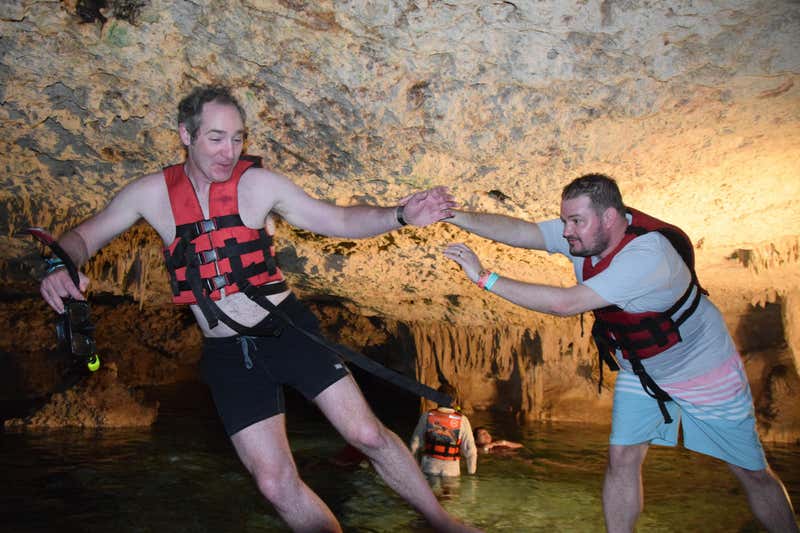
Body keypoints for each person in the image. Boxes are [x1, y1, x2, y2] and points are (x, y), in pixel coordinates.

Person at [38, 85, 480, 533]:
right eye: (215, 137)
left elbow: (338, 220)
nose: (229, 151)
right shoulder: (150, 195)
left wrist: (400, 215)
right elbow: (82, 238)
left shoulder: (258, 185)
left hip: (286, 330)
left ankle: (444, 524)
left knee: (365, 435)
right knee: (273, 482)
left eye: (237, 138)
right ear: (185, 136)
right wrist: (60, 264)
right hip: (228, 355)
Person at [441, 173, 798, 533]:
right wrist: (450, 214)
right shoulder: (587, 235)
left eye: (575, 221)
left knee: (751, 471)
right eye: (565, 220)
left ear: (610, 217)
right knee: (622, 458)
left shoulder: (648, 255)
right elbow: (524, 233)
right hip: (640, 370)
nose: (566, 231)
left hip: (701, 368)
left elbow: (566, 304)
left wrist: (484, 277)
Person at [409, 384, 477, 477]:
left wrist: (415, 467)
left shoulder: (427, 416)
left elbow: (414, 445)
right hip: (451, 471)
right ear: (454, 401)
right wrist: (471, 474)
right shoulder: (462, 420)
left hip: (430, 468)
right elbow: (471, 450)